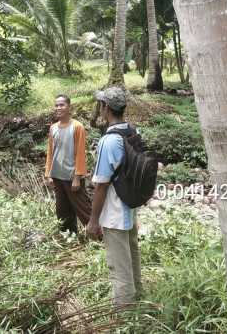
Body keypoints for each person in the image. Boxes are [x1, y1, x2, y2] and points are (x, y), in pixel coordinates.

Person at [86, 87, 142, 306]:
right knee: (132, 259)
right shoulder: (132, 131)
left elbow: (101, 186)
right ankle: (139, 300)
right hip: (130, 207)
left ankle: (125, 316)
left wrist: (93, 221)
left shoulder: (108, 141)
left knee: (119, 268)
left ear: (105, 108)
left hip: (115, 213)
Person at [44, 94, 91, 235]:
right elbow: (50, 152)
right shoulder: (53, 128)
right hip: (57, 176)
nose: (58, 108)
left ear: (69, 107)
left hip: (72, 177)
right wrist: (48, 174)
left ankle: (99, 236)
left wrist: (77, 177)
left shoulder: (77, 127)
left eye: (62, 105)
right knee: (63, 211)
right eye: (56, 105)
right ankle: (69, 237)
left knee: (84, 209)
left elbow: (80, 153)